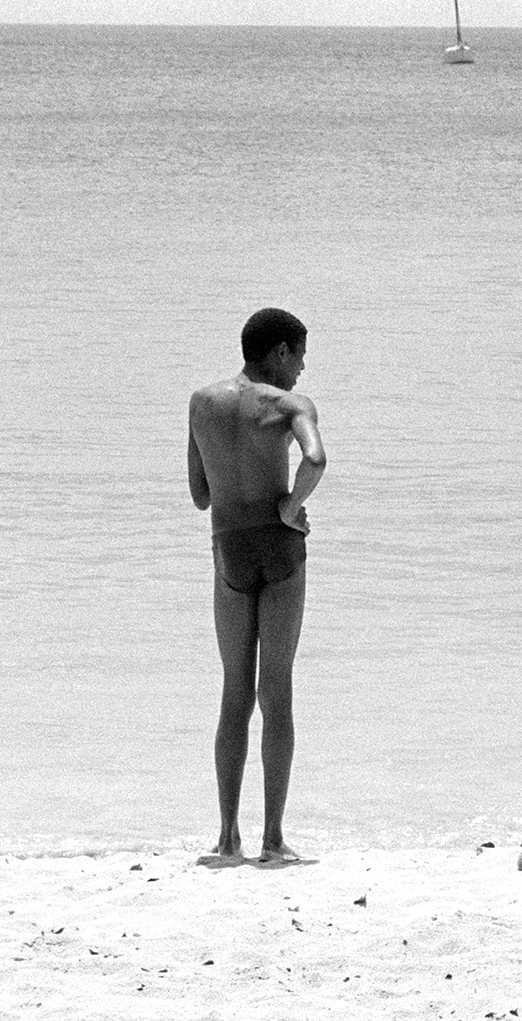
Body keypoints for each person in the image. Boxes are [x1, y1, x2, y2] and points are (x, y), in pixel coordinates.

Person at [188, 308, 327, 862]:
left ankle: (227, 837)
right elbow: (315, 458)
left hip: (231, 551)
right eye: (299, 355)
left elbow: (200, 495)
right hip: (281, 548)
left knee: (234, 693)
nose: (301, 370)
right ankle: (272, 839)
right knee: (278, 691)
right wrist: (292, 507)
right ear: (277, 352)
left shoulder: (202, 403)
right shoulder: (290, 405)